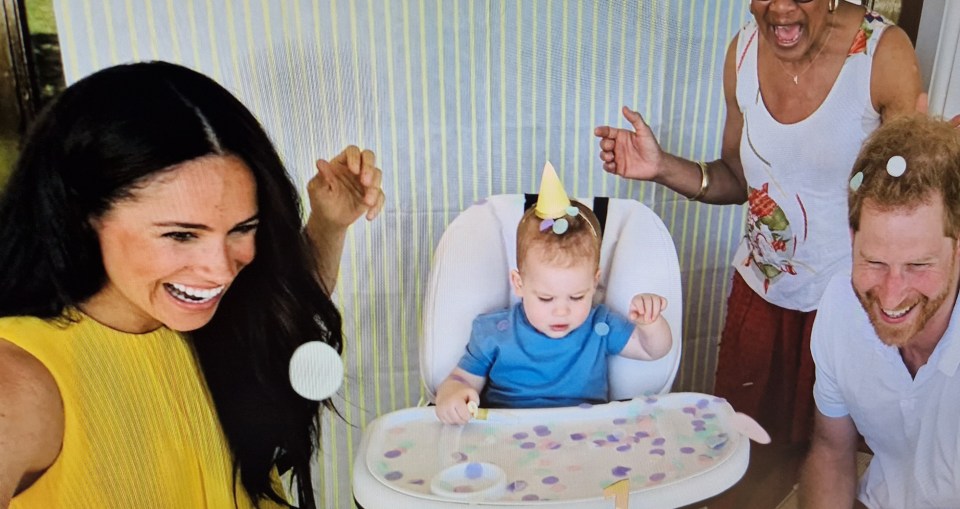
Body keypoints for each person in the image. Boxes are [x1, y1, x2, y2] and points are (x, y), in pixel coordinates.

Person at [0, 61, 384, 509]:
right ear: (83, 217)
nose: (220, 271)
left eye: (243, 228)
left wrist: (329, 223)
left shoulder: (194, 312)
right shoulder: (21, 382)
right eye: (181, 235)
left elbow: (283, 307)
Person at [595, 1, 921, 503]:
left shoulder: (881, 55)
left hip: (848, 308)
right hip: (762, 296)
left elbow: (912, 201)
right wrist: (662, 167)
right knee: (744, 458)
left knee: (836, 459)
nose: (781, 8)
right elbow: (738, 180)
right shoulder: (743, 52)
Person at [799, 115, 960, 508]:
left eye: (918, 266)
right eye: (873, 262)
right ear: (852, 238)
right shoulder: (840, 306)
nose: (891, 296)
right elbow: (832, 451)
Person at [434, 167, 673, 425]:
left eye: (577, 297)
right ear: (519, 283)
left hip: (584, 436)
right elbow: (461, 378)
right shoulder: (493, 332)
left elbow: (652, 351)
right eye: (546, 299)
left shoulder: (600, 327)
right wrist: (452, 395)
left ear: (594, 283)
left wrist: (650, 324)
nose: (562, 311)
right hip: (507, 438)